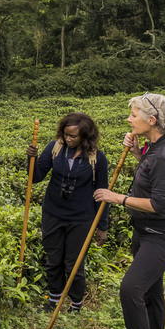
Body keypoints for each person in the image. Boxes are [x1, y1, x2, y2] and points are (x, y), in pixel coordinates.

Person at [93, 92, 165, 329]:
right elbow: (153, 176)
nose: (129, 119)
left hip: (163, 235)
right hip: (145, 232)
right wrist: (137, 153)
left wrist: (117, 198)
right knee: (151, 291)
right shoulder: (155, 146)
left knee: (131, 289)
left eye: (134, 115)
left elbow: (161, 204)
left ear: (152, 120)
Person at [26, 112, 109, 314]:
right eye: (66, 135)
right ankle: (54, 299)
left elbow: (102, 194)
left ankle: (75, 304)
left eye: (74, 136)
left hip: (82, 218)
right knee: (53, 258)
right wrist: (31, 159)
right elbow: (35, 178)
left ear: (85, 136)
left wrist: (102, 226)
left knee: (74, 264)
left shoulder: (97, 158)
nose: (69, 139)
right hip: (53, 213)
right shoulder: (55, 148)